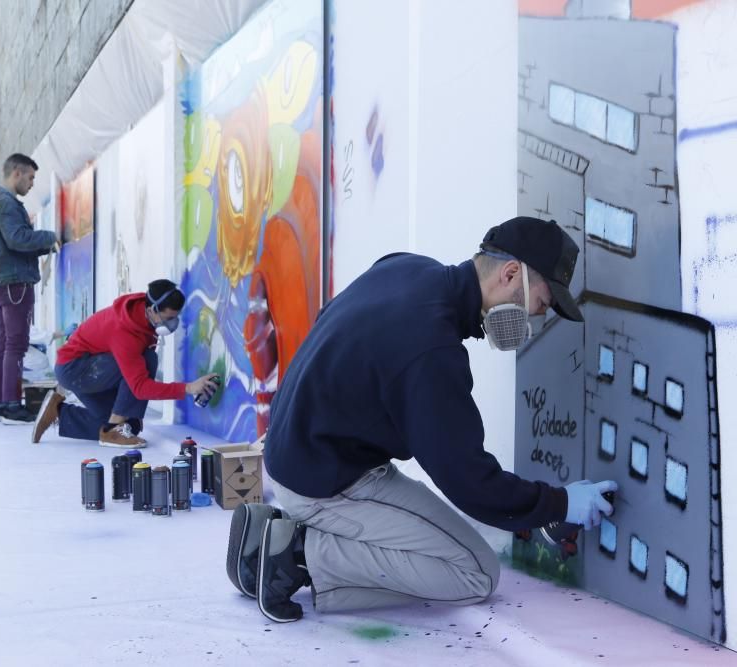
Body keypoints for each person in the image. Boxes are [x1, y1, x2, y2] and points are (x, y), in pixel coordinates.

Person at [227, 216, 618, 623]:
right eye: (541, 302)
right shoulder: (431, 349)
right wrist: (561, 503)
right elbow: (469, 482)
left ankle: (270, 535)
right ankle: (298, 554)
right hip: (324, 480)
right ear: (510, 274)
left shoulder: (408, 267)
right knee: (476, 573)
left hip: (301, 452)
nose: (536, 319)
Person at [31, 279, 221, 447]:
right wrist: (188, 388)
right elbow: (140, 387)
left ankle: (58, 411)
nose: (173, 323)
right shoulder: (125, 333)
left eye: (176, 317)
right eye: (169, 318)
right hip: (75, 369)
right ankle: (113, 430)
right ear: (152, 310)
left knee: (131, 427)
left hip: (93, 366)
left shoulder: (143, 312)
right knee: (147, 360)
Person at [0, 153, 59, 425]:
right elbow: (17, 239)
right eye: (30, 177)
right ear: (17, 173)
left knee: (5, 343)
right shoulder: (6, 204)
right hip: (14, 282)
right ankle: (12, 406)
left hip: (4, 281)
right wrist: (52, 237)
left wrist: (45, 244)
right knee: (16, 343)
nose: (31, 184)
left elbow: (14, 241)